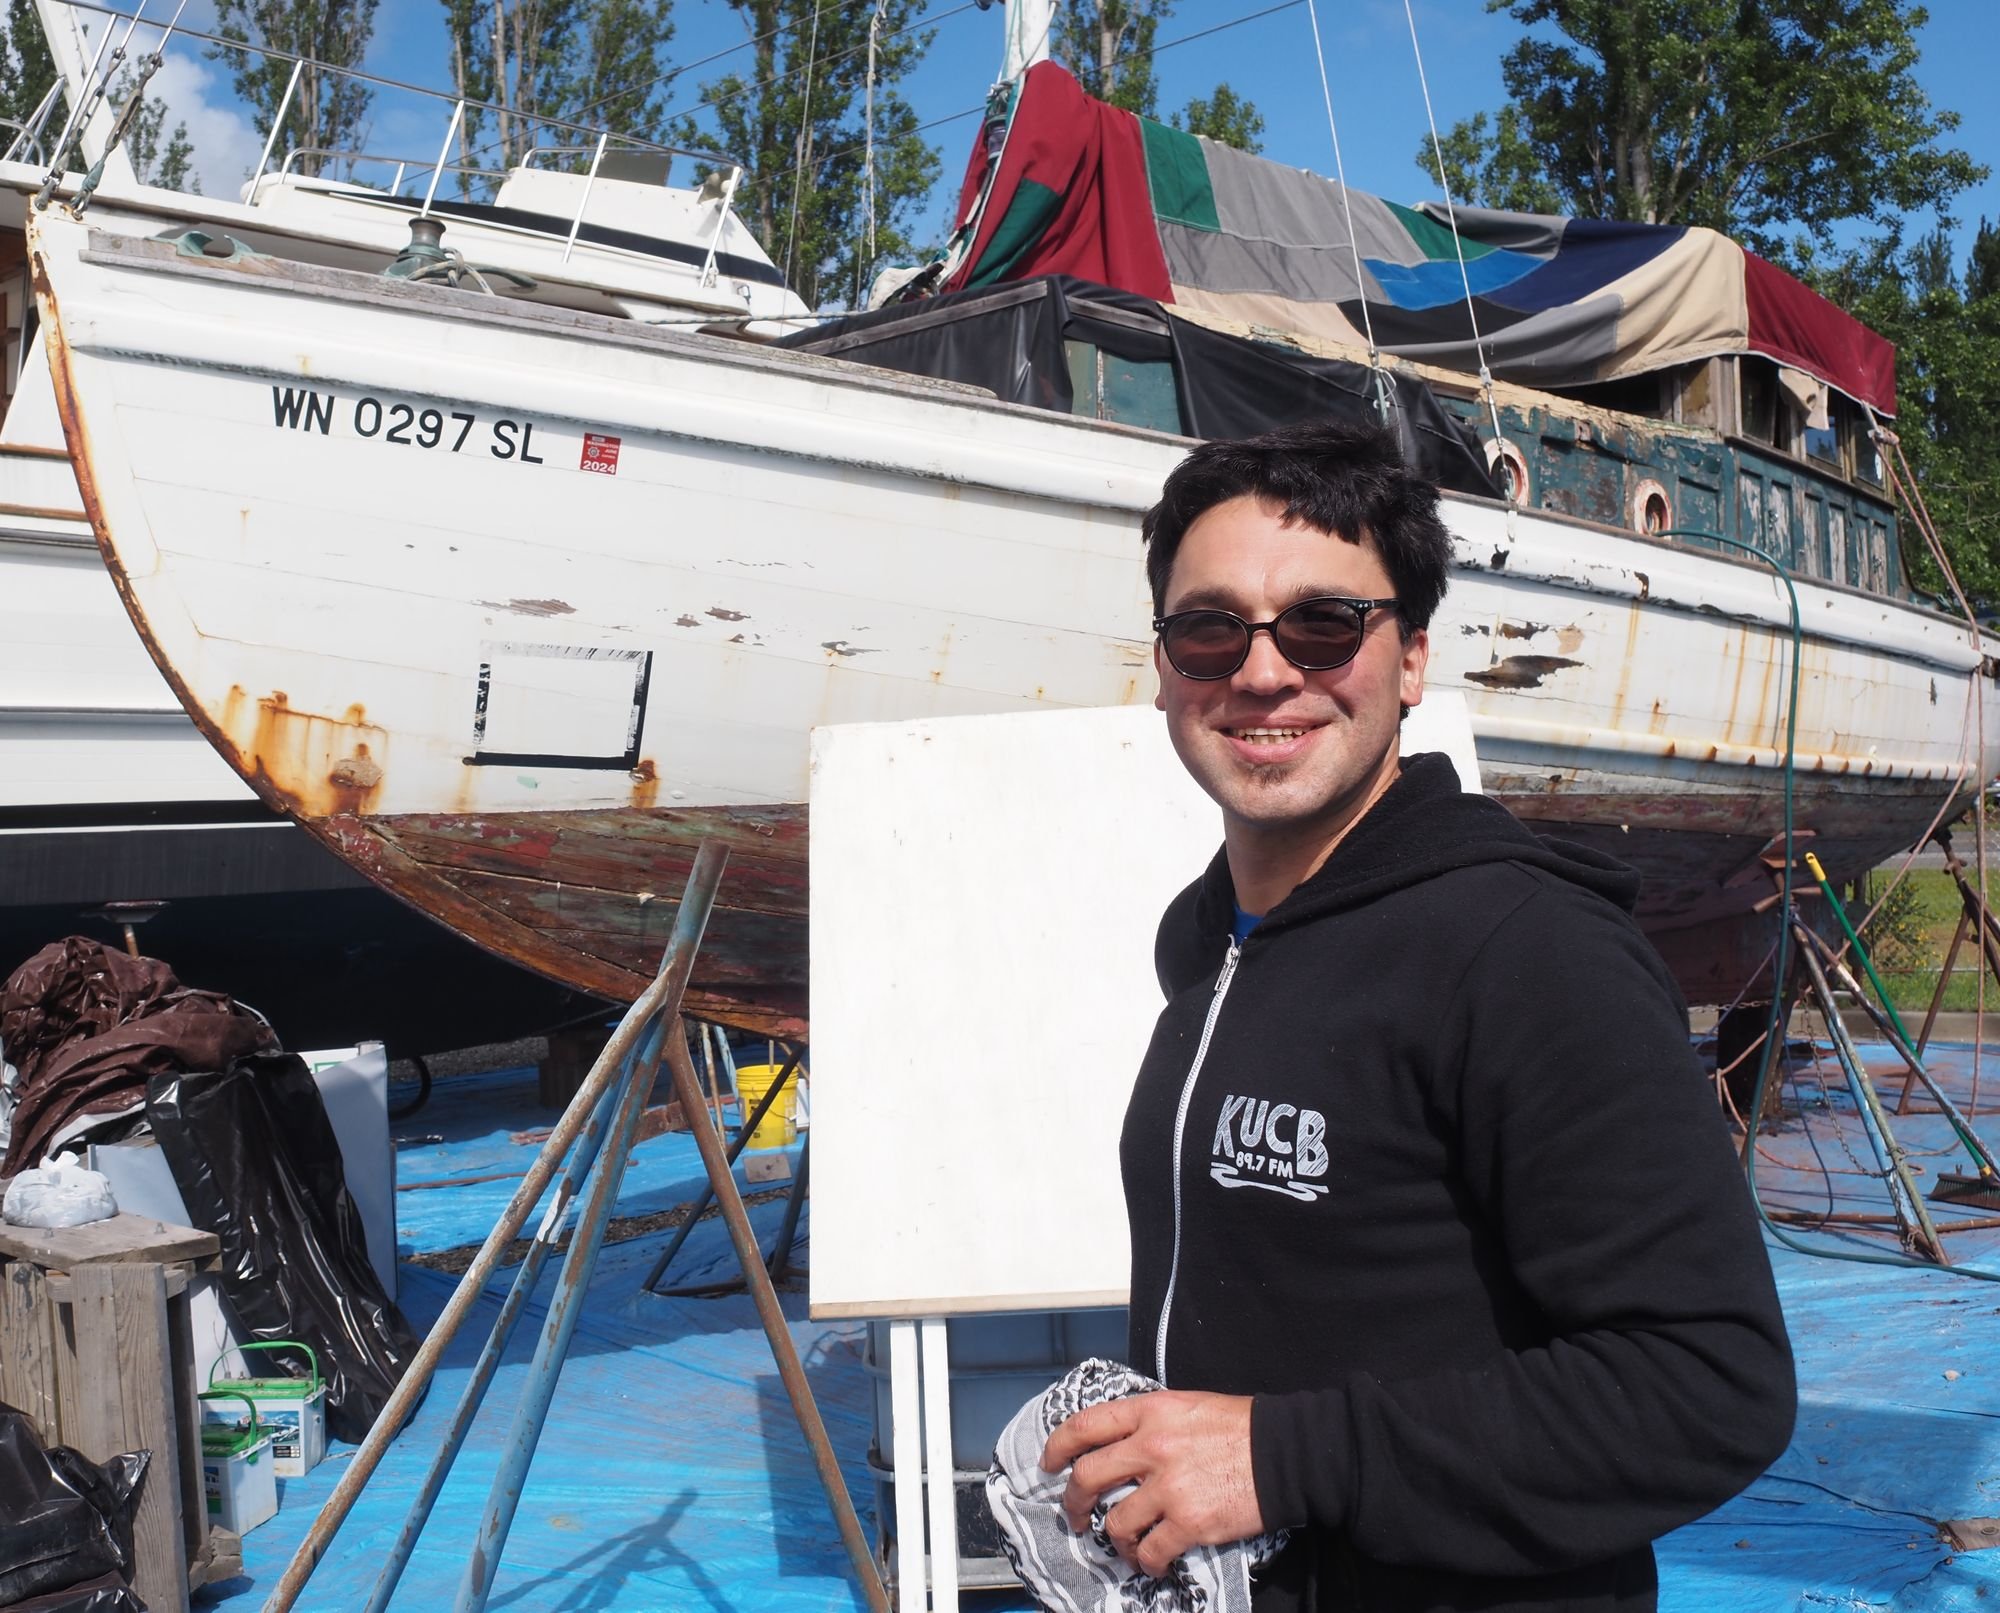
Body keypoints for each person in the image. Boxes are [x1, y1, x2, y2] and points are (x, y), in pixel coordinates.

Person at [1039, 420, 1796, 1612]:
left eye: (1322, 624)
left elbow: (1705, 1383)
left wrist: (1283, 1457)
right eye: (1208, 627)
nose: (1261, 670)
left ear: (1409, 659)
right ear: (1163, 663)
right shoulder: (1203, 941)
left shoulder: (1525, 954)